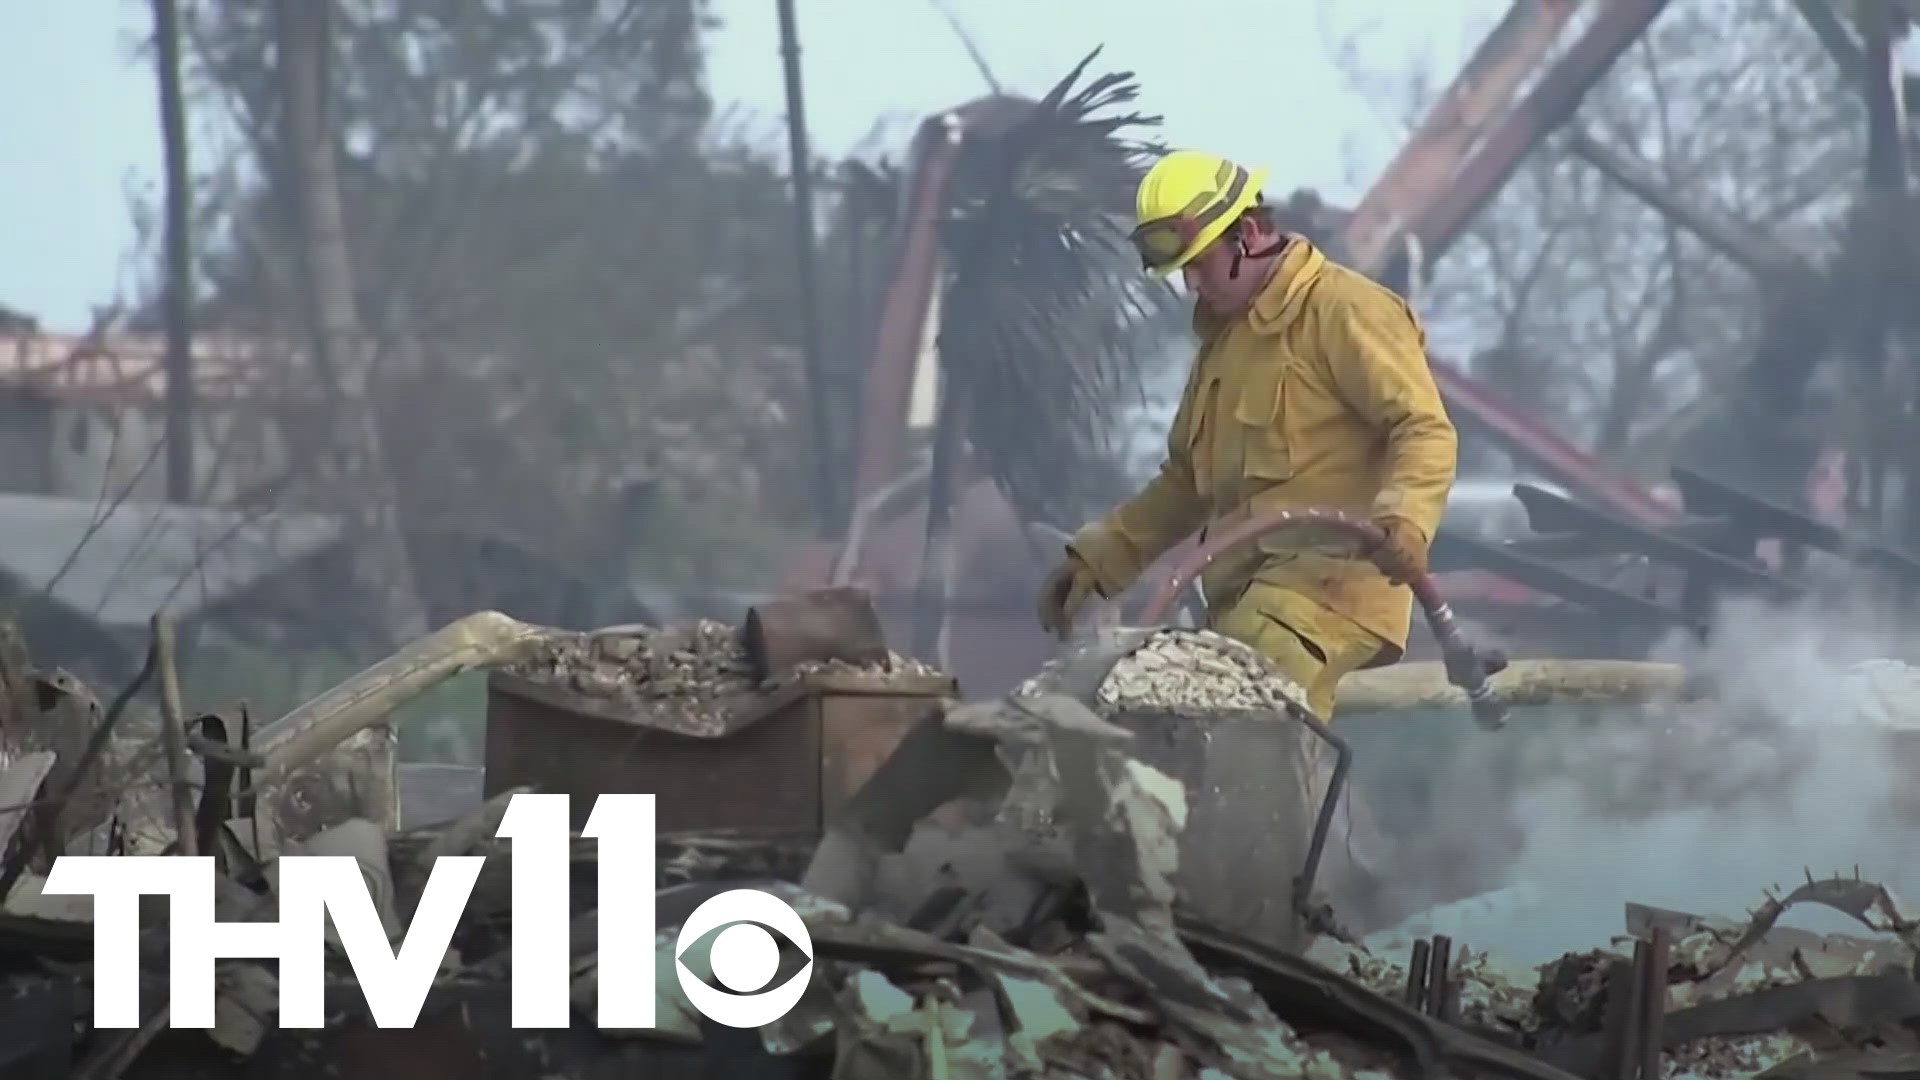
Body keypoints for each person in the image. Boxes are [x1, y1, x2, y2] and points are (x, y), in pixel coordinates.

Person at [1035, 149, 1458, 719]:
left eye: (1200, 263)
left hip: (1327, 593)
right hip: (1248, 602)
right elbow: (1186, 484)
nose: (1190, 285)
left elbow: (1423, 427)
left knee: (1227, 713)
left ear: (1250, 233)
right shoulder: (1224, 347)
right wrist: (1099, 559)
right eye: (1180, 270)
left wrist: (1405, 520)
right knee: (1148, 704)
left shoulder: (1344, 309)